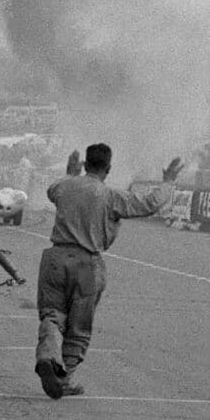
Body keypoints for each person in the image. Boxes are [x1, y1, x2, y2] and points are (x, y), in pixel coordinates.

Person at [33, 142, 168, 400]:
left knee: (52, 315)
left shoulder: (64, 186)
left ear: (85, 164)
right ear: (108, 168)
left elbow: (53, 191)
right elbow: (150, 204)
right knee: (78, 325)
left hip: (55, 257)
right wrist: (169, 181)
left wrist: (71, 175)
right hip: (86, 263)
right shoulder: (109, 196)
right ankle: (64, 377)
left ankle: (47, 356)